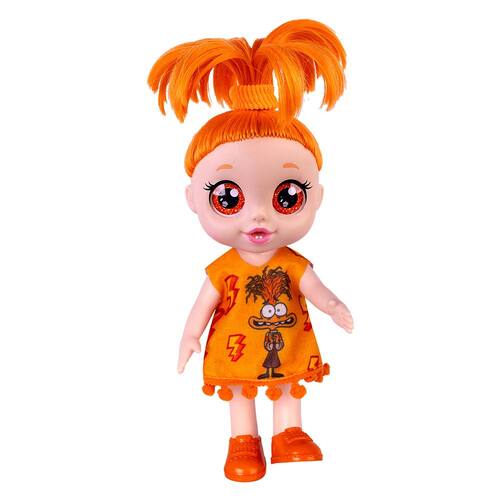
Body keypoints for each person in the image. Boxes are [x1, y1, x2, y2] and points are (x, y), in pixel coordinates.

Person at [148, 18, 354, 482]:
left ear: (317, 198)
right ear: (194, 199)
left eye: (287, 196)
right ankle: (244, 441)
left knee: (288, 385)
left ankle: (288, 434)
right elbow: (204, 304)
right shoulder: (223, 268)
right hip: (235, 345)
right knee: (240, 393)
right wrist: (189, 335)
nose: (258, 216)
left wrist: (334, 306)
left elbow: (316, 290)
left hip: (286, 338)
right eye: (228, 198)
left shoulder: (293, 264)